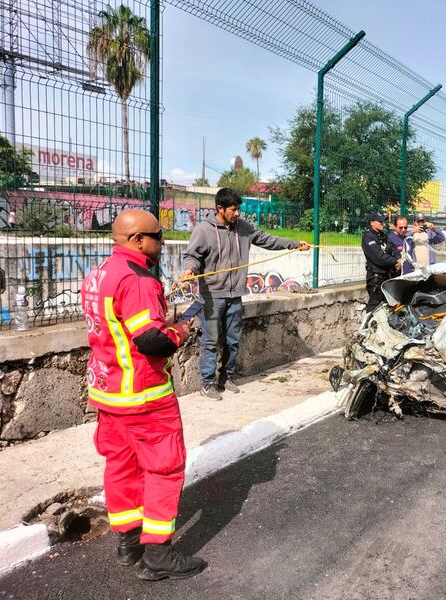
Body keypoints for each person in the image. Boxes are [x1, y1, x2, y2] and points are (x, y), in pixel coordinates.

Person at [81, 209, 207, 581]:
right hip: (144, 396)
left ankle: (128, 543)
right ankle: (158, 555)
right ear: (138, 240)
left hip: (108, 394)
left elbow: (120, 328)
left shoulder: (99, 273)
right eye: (158, 236)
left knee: (122, 467)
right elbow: (151, 340)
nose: (162, 242)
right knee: (163, 469)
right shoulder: (138, 280)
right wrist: (182, 329)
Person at [180, 188, 310, 401]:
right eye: (233, 209)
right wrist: (189, 269)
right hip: (212, 296)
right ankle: (207, 383)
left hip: (236, 295)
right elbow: (192, 256)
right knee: (211, 341)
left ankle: (226, 377)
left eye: (238, 209)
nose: (237, 213)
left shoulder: (243, 228)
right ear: (219, 209)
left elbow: (267, 239)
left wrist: (294, 244)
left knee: (232, 339)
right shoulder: (204, 230)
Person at [362, 211, 402, 312]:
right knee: (375, 305)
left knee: (387, 306)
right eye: (379, 221)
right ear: (372, 223)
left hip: (387, 276)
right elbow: (378, 257)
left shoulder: (383, 236)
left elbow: (394, 248)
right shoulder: (368, 237)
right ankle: (367, 326)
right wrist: (394, 262)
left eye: (382, 221)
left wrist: (398, 259)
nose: (382, 223)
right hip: (376, 277)